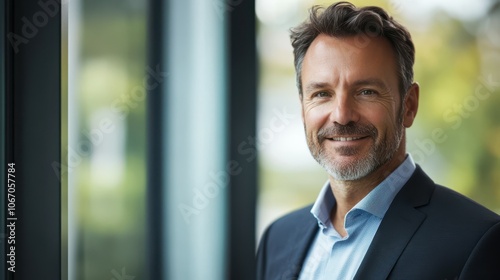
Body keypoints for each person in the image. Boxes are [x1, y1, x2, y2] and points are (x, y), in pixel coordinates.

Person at [256, 2, 500, 279]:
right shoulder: (277, 239)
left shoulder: (476, 242)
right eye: (322, 94)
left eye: (367, 92)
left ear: (408, 106)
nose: (342, 115)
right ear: (303, 109)